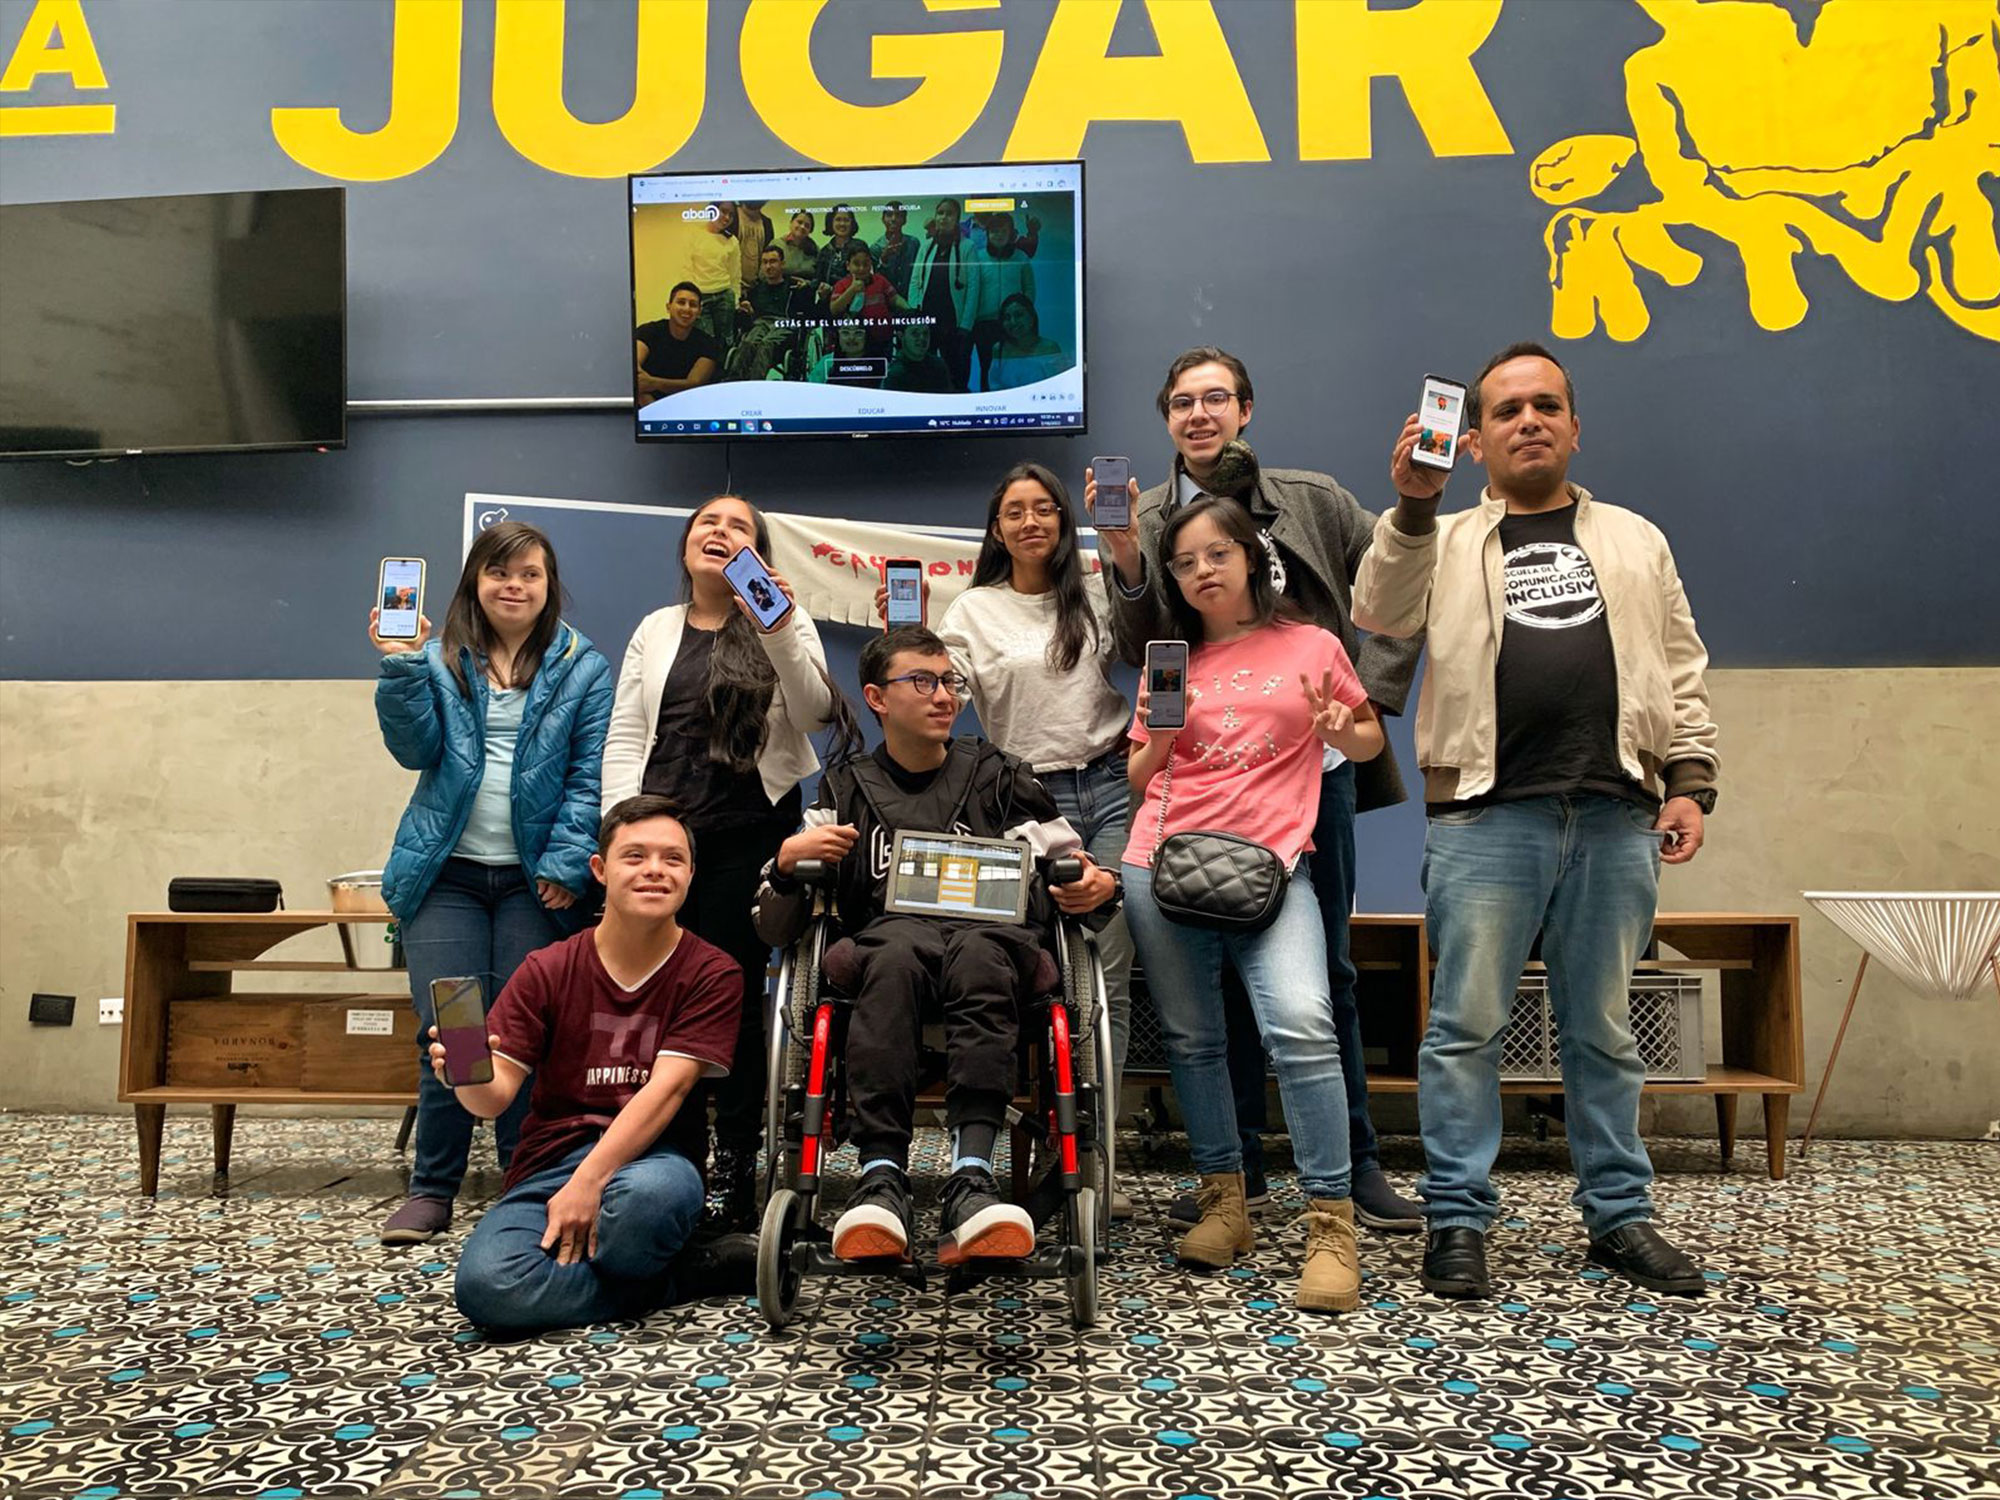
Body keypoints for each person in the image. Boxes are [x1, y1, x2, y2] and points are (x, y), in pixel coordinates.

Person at [1354, 341, 1720, 1300]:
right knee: (1464, 1028)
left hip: (1615, 812)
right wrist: (1413, 505)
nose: (1529, 421)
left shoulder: (1636, 538)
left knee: (1603, 1030)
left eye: (1546, 405)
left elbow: (1681, 667)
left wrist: (1690, 779)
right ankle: (1458, 1219)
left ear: (1574, 426)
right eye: (1507, 410)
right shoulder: (1441, 537)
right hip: (1485, 819)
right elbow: (1379, 614)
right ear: (1473, 439)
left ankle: (1619, 1216)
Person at [1087, 346, 1427, 1235]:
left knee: (1326, 975)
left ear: (1245, 409)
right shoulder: (1148, 516)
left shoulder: (1313, 498)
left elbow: (1399, 575)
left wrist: (1364, 700)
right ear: (1166, 418)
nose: (1199, 414)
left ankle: (1353, 1167)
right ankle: (1235, 1172)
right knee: (1209, 998)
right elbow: (1143, 645)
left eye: (1216, 398)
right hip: (1196, 777)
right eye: (1181, 402)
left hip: (1312, 772)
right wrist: (1128, 561)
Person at [755, 627, 1116, 1264]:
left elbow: (1073, 864)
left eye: (949, 681)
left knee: (979, 956)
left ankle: (972, 1177)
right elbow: (776, 925)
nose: (944, 696)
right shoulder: (846, 790)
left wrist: (1097, 884)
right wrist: (786, 864)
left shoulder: (1000, 777)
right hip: (890, 947)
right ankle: (880, 1178)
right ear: (877, 697)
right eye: (922, 682)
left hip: (990, 944)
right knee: (892, 958)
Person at [1120, 496, 1385, 1314]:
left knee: (1303, 1027)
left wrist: (1340, 729)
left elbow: (1368, 739)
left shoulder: (1313, 644)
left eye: (1216, 554)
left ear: (1250, 557)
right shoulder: (1170, 661)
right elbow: (1140, 778)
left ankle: (1330, 1227)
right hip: (1162, 864)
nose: (1201, 570)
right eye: (1183, 562)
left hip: (1275, 867)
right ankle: (1223, 1205)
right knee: (1194, 1040)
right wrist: (1163, 740)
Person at [872, 465, 1138, 1214]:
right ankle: (1038, 1137)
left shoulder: (1093, 588)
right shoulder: (974, 608)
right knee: (1030, 971)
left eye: (1044, 508)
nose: (1030, 522)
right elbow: (937, 689)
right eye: (1014, 511)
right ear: (996, 529)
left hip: (1112, 783)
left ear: (1064, 520)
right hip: (1021, 799)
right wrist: (901, 640)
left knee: (1106, 971)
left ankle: (1093, 1156)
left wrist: (1125, 546)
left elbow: (1144, 638)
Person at [601, 494, 853, 1231]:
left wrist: (778, 626)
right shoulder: (655, 628)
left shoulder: (784, 620)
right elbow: (627, 735)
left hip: (748, 837)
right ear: (687, 547)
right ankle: (668, 1155)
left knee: (733, 1002)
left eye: (738, 526)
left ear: (759, 555)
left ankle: (737, 1163)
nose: (719, 531)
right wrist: (618, 832)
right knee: (656, 998)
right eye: (707, 523)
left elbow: (815, 713)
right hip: (661, 840)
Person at [371, 521, 613, 1244]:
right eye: (500, 572)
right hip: (446, 875)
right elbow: (413, 748)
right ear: (475, 581)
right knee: (455, 1027)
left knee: (520, 1031)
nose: (515, 586)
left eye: (530, 574)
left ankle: (522, 1182)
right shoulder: (438, 658)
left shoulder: (583, 666)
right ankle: (433, 1188)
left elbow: (591, 774)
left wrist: (567, 863)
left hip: (534, 883)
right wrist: (400, 666)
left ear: (549, 585)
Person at [444, 796, 743, 1334]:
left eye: (673, 859)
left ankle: (603, 1264)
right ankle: (677, 1279)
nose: (655, 870)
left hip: (655, 1160)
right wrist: (466, 1075)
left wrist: (591, 1181)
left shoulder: (711, 972)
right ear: (601, 870)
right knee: (487, 1287)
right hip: (551, 1164)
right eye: (635, 856)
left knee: (644, 1203)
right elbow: (493, 1098)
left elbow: (668, 1091)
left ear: (691, 875)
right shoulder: (547, 968)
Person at [907, 198, 976, 391]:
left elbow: (973, 289)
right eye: (940, 213)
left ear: (957, 219)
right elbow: (915, 281)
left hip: (954, 321)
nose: (944, 218)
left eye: (949, 214)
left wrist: (966, 325)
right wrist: (914, 312)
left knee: (955, 374)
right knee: (925, 372)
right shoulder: (927, 246)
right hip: (927, 319)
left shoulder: (967, 247)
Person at [963, 212, 1036, 388]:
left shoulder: (1021, 257)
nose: (999, 235)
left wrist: (1023, 316)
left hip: (1012, 323)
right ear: (987, 234)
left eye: (1003, 231)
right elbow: (970, 289)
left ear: (1011, 234)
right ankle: (986, 401)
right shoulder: (978, 257)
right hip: (983, 324)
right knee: (987, 368)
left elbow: (1029, 288)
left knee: (1012, 368)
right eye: (994, 231)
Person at [730, 245, 812, 381]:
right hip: (761, 323)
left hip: (784, 324)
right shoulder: (756, 289)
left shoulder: (794, 287)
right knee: (748, 342)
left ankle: (756, 383)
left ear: (782, 264)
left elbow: (806, 312)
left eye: (773, 261)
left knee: (767, 343)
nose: (768, 266)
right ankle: (734, 381)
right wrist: (749, 311)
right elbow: (750, 319)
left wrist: (805, 289)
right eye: (765, 262)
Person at [635, 282, 721, 401]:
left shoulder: (708, 344)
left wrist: (653, 383)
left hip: (687, 406)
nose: (687, 308)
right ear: (668, 307)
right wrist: (650, 405)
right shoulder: (649, 331)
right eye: (681, 302)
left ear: (699, 312)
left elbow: (694, 384)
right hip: (646, 406)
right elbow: (633, 370)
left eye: (693, 305)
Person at [983, 293, 1068, 392]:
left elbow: (1056, 388)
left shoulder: (1049, 348)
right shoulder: (999, 349)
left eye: (1018, 315)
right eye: (1007, 317)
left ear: (1031, 317)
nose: (1013, 322)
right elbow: (995, 386)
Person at [829, 244, 912, 343]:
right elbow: (834, 309)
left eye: (866, 264)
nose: (861, 268)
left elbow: (895, 298)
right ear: (848, 265)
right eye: (856, 264)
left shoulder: (880, 280)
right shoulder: (842, 284)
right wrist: (851, 290)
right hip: (856, 341)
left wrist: (910, 311)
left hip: (884, 337)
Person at [689, 201, 740, 360]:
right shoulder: (694, 235)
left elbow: (735, 274)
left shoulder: (732, 241)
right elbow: (686, 269)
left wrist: (736, 300)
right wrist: (692, 299)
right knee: (705, 343)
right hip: (701, 297)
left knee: (725, 343)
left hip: (725, 297)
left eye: (731, 215)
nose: (727, 218)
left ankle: (725, 375)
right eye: (724, 211)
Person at [880, 321, 953, 393]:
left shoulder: (939, 366)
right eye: (915, 333)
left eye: (925, 333)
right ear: (901, 336)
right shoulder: (893, 374)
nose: (922, 338)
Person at [807, 322, 881, 389]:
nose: (851, 338)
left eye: (858, 333)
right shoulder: (827, 362)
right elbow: (812, 390)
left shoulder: (879, 363)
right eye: (845, 332)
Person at [814, 204, 865, 300]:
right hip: (830, 302)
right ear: (831, 222)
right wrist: (811, 285)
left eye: (846, 220)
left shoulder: (860, 246)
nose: (842, 224)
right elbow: (818, 280)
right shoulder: (824, 251)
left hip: (856, 300)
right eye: (838, 219)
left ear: (852, 223)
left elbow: (866, 276)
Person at [871, 201, 917, 297]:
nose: (893, 219)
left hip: (910, 297)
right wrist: (884, 259)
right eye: (889, 215)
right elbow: (873, 280)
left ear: (905, 220)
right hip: (885, 300)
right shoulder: (875, 248)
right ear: (883, 219)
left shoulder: (914, 243)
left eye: (898, 215)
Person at [733, 200, 774, 295]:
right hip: (731, 285)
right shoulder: (731, 216)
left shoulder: (767, 223)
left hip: (756, 287)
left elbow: (767, 256)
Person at [778, 208, 819, 282]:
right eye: (799, 222)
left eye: (807, 225)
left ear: (810, 230)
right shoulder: (777, 245)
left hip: (807, 288)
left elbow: (819, 278)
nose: (802, 227)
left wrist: (808, 283)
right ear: (791, 223)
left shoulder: (815, 249)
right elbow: (763, 275)